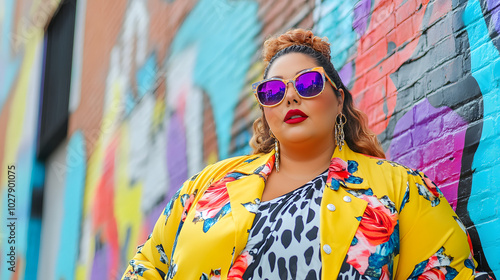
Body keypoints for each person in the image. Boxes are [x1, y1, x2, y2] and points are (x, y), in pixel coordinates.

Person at [122, 28, 493, 280]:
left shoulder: (400, 190)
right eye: (272, 91)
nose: (290, 97)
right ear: (265, 110)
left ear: (339, 100)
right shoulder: (207, 186)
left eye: (308, 83)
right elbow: (146, 265)